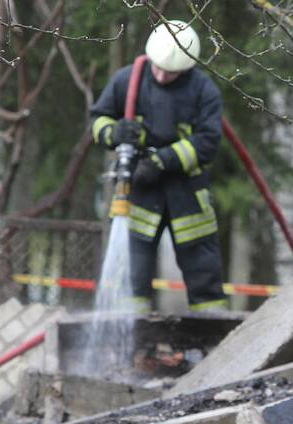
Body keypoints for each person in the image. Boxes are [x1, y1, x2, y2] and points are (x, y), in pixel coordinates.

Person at [90, 21, 227, 311]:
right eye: (158, 68)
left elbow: (208, 142)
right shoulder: (127, 80)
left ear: (187, 67)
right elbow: (98, 118)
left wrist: (162, 161)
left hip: (187, 194)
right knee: (133, 275)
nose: (163, 76)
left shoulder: (204, 90)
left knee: (205, 276)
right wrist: (113, 133)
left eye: (172, 72)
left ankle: (216, 342)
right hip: (138, 191)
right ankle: (134, 342)